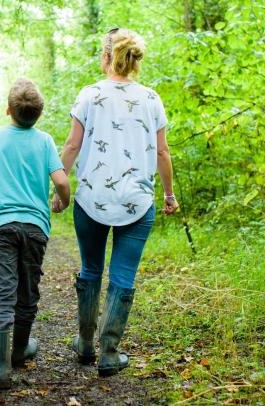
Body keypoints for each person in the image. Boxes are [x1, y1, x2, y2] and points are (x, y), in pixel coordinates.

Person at [56, 27, 178, 377]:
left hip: (92, 198)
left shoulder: (90, 94)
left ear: (106, 56)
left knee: (91, 269)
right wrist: (168, 195)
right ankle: (109, 352)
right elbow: (162, 151)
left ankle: (84, 344)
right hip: (137, 202)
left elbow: (72, 146)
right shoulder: (151, 98)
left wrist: (58, 185)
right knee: (123, 276)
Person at [0, 79, 71, 389]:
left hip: (1, 227)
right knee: (27, 290)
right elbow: (62, 182)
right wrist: (62, 202)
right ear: (40, 113)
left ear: (8, 110)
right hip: (35, 227)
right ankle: (20, 350)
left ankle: (0, 369)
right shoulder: (46, 141)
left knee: (1, 293)